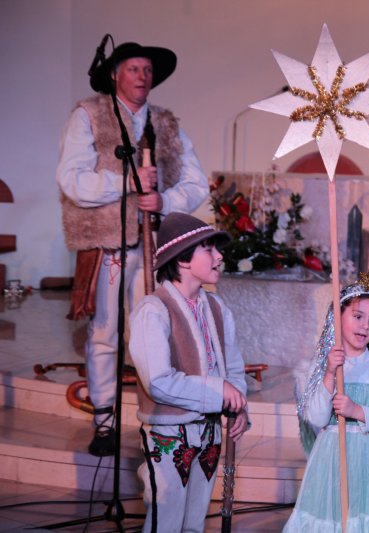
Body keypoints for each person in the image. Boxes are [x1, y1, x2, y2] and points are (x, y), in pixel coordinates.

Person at [56, 41, 209, 456]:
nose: (143, 76)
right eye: (133, 69)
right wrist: (125, 182)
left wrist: (164, 200)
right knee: (105, 331)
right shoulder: (89, 115)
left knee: (156, 329)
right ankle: (105, 419)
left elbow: (196, 182)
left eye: (147, 70)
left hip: (155, 244)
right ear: (114, 75)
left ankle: (158, 416)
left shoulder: (165, 123)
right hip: (108, 243)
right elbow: (71, 179)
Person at [129, 213, 248, 533]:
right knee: (166, 522)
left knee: (195, 522)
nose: (219, 256)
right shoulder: (153, 311)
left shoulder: (218, 308)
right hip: (169, 435)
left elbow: (233, 367)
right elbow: (158, 382)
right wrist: (219, 391)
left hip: (209, 433)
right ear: (182, 259)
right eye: (208, 249)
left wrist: (237, 403)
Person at [283, 272, 369, 532]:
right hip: (333, 459)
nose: (365, 326)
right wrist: (329, 374)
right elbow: (316, 417)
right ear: (338, 316)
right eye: (358, 316)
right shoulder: (323, 365)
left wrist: (357, 410)